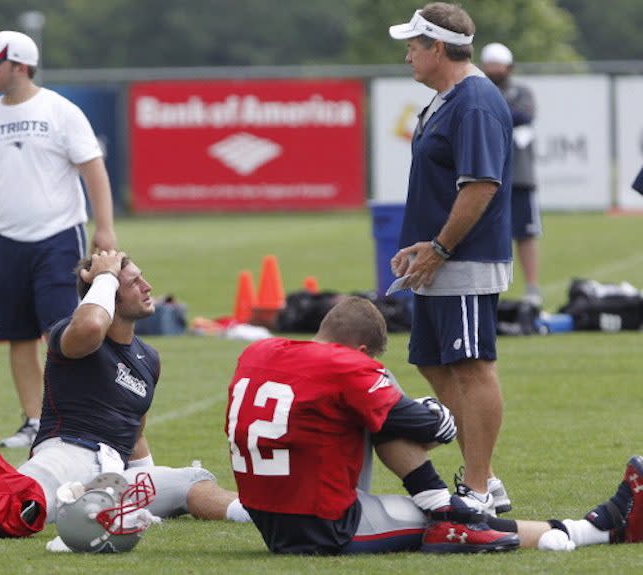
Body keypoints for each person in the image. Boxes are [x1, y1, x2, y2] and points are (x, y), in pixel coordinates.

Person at [225, 296, 643, 555]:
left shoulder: (260, 350)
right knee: (456, 523)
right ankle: (594, 530)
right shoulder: (347, 364)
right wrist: (438, 414)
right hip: (323, 526)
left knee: (376, 417)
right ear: (362, 349)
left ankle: (442, 503)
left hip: (269, 512)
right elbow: (431, 428)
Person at [0, 31, 117, 448]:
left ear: (20, 66)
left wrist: (105, 226)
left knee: (63, 333)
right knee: (16, 334)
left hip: (56, 236)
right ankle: (33, 420)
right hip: (1, 240)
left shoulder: (60, 111)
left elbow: (93, 169)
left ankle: (75, 417)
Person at [17, 250, 250, 551]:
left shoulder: (149, 358)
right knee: (17, 504)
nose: (148, 286)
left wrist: (146, 477)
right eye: (134, 282)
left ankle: (260, 515)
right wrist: (105, 275)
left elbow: (135, 430)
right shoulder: (73, 332)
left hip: (116, 475)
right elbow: (91, 327)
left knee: (193, 479)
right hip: (68, 453)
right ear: (111, 293)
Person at [388, 3, 513, 514]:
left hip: (463, 260)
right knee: (434, 364)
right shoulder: (449, 98)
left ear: (438, 48)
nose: (408, 56)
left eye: (414, 47)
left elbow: (481, 185)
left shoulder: (475, 101)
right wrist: (425, 244)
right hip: (439, 260)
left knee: (471, 367)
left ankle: (480, 488)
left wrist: (440, 247)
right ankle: (487, 480)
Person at [481, 42, 542, 306]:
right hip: (487, 176)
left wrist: (495, 111)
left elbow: (524, 115)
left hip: (519, 175)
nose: (495, 71)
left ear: (509, 67)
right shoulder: (478, 91)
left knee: (526, 233)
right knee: (486, 233)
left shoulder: (521, 91)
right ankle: (488, 287)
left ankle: (532, 286)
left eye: (499, 65)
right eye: (490, 66)